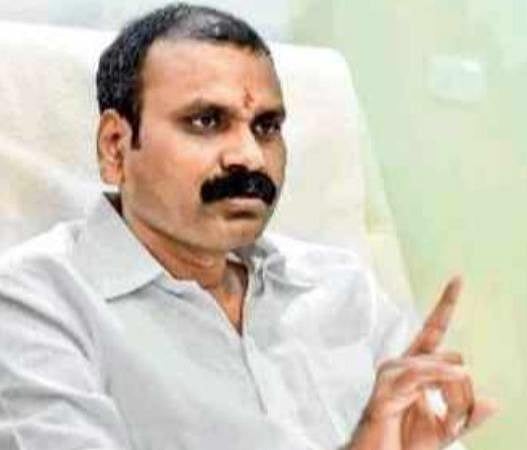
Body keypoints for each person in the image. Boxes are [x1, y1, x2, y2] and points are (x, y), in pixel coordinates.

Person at [0, 3, 497, 450]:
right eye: (206, 121)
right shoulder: (37, 302)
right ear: (115, 147)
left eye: (266, 127)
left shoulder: (343, 288)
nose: (250, 156)